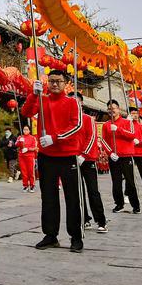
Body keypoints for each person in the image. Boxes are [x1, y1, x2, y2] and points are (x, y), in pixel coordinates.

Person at [22, 69, 84, 252]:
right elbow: (26, 112)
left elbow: (77, 125)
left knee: (72, 198)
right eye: (51, 81)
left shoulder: (72, 103)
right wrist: (34, 94)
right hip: (46, 156)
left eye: (58, 81)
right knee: (48, 198)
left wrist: (55, 137)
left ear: (66, 84)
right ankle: (50, 235)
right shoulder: (42, 100)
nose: (54, 84)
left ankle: (76, 236)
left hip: (67, 156)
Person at [74, 94, 107, 234]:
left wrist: (83, 154)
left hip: (87, 159)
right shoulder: (68, 120)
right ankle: (84, 218)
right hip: (73, 159)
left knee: (92, 191)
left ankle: (101, 221)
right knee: (77, 191)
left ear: (81, 103)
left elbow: (91, 137)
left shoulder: (88, 119)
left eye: (76, 101)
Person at [104, 99, 140, 214]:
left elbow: (132, 135)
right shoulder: (106, 125)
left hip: (126, 156)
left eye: (113, 108)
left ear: (118, 109)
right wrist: (110, 153)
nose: (111, 111)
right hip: (114, 157)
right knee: (116, 182)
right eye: (109, 109)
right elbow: (103, 140)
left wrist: (118, 129)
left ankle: (135, 205)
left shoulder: (127, 122)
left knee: (130, 181)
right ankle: (119, 204)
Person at [15, 126, 38, 192]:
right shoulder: (20, 137)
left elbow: (35, 147)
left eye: (26, 129)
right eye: (24, 129)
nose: (25, 131)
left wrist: (28, 149)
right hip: (21, 156)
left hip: (30, 156)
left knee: (30, 171)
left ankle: (32, 185)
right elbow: (16, 144)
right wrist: (20, 141)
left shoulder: (33, 138)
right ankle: (25, 185)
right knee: (24, 171)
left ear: (29, 130)